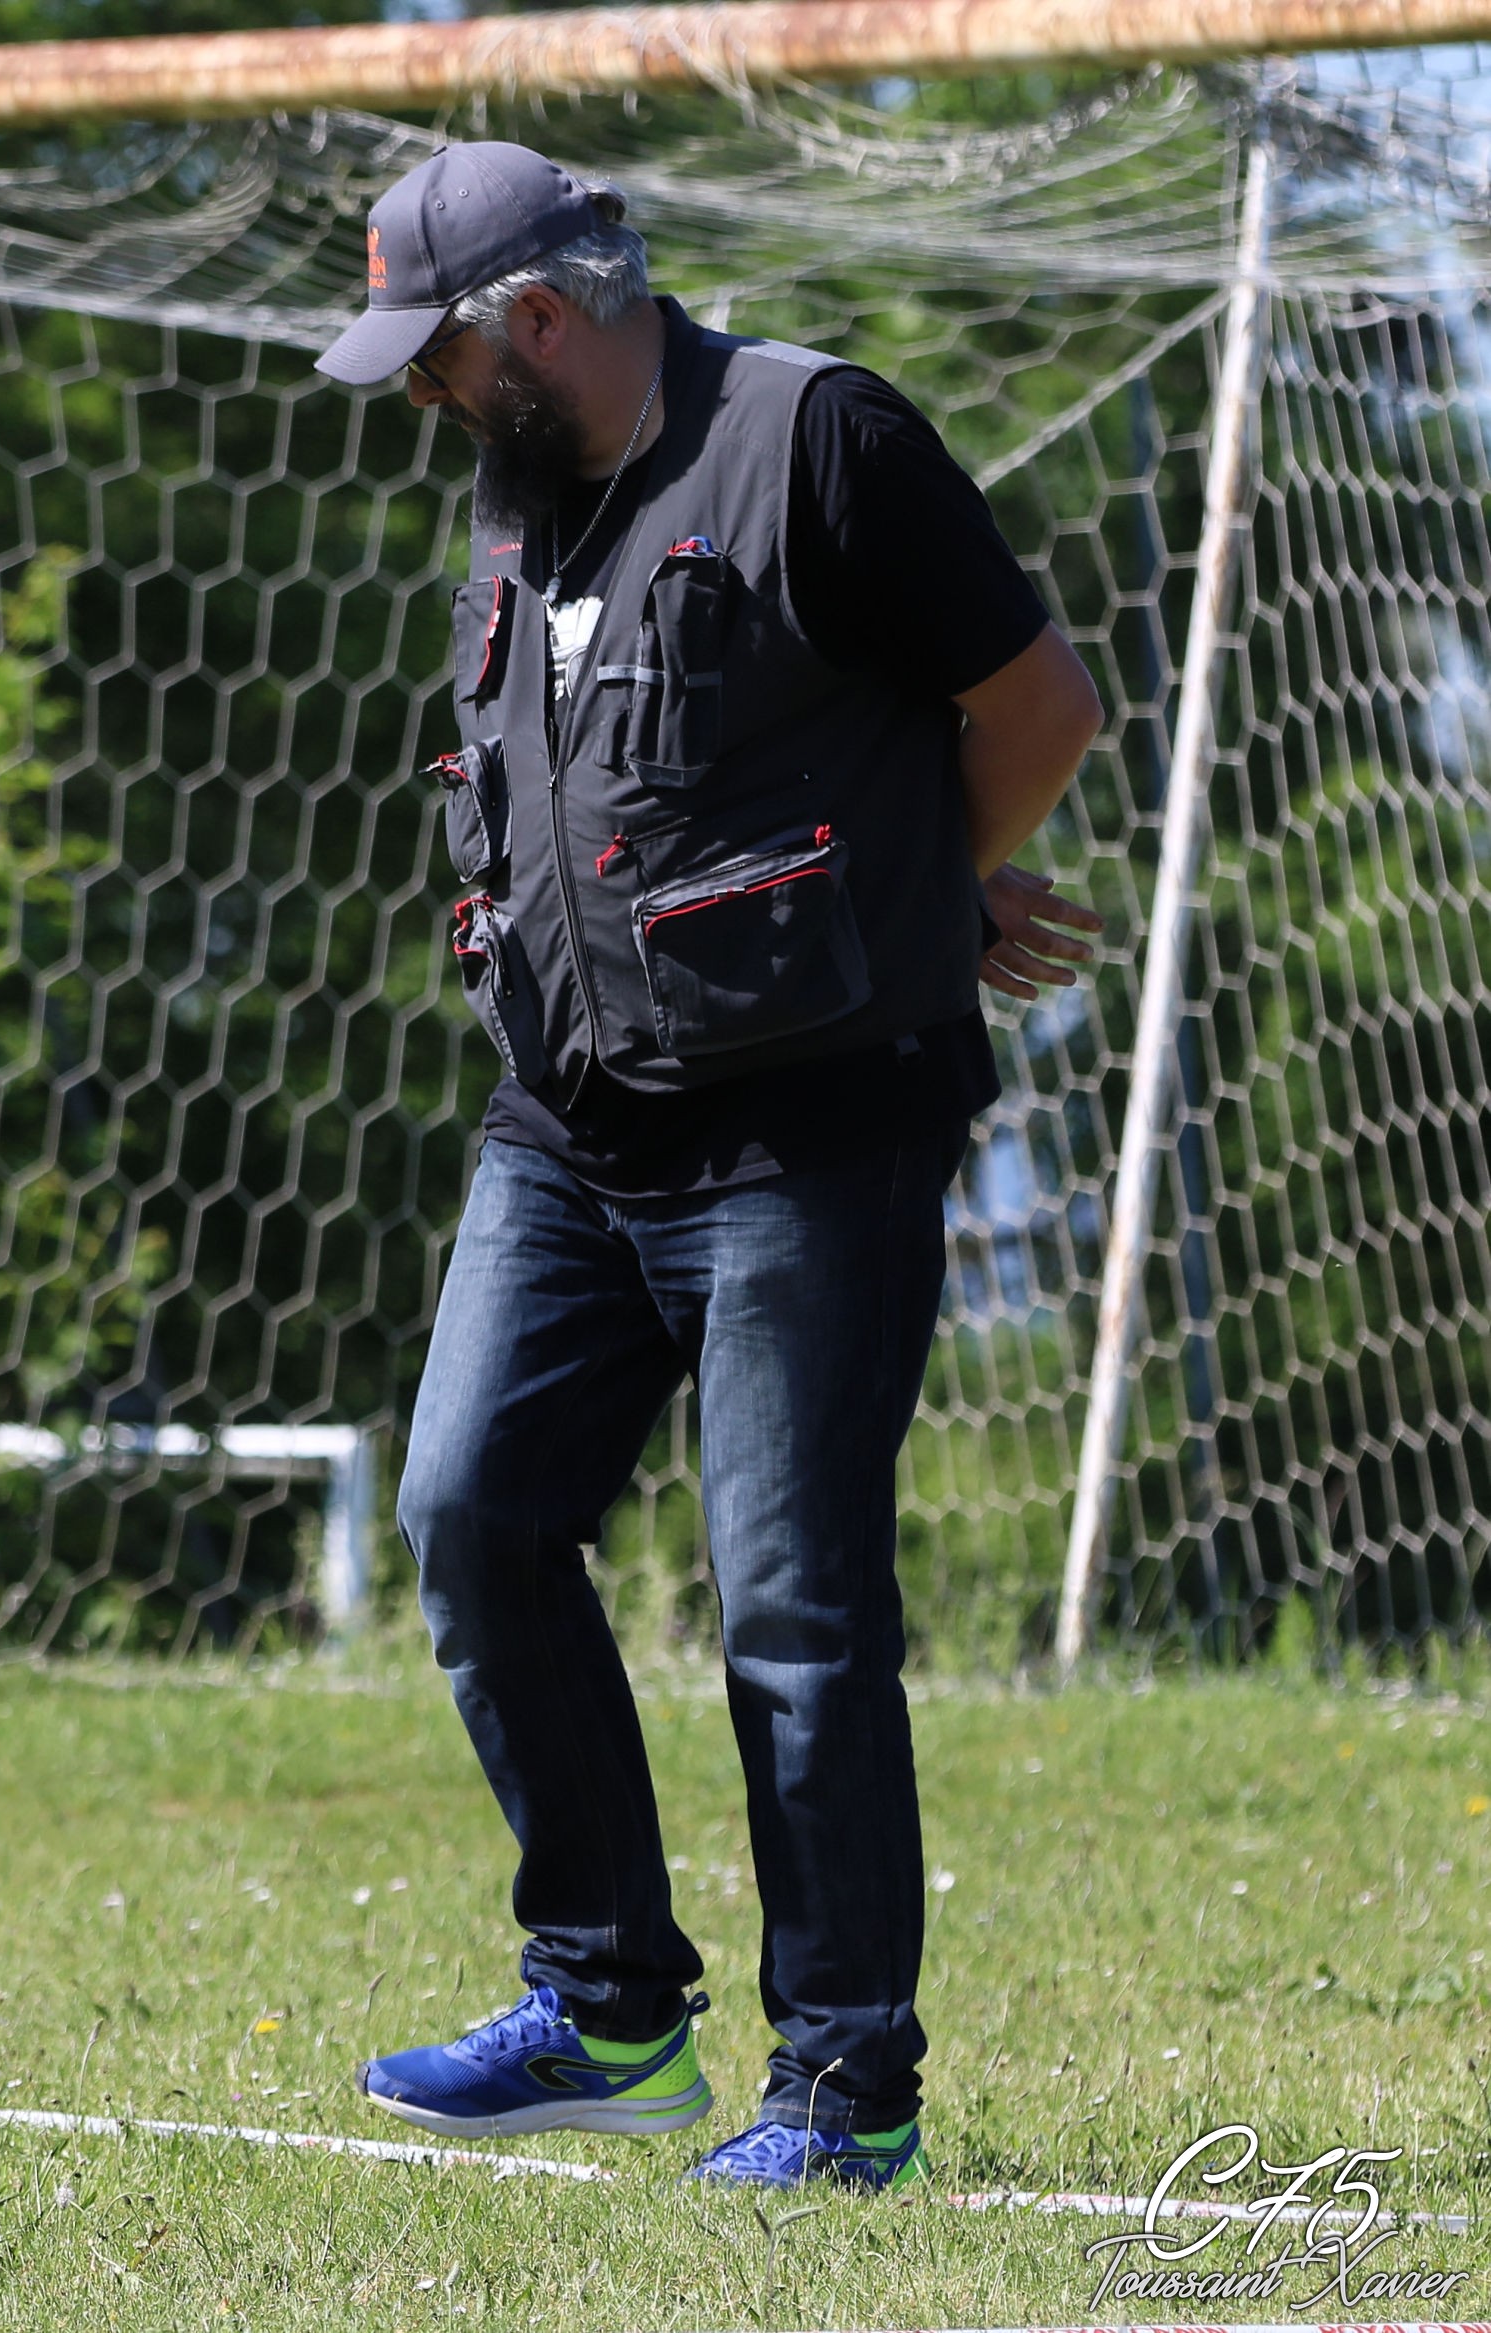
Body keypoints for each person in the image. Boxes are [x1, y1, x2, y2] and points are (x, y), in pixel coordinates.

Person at [312, 141, 1104, 2190]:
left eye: (433, 355)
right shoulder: (519, 477)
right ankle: (606, 2009)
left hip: (808, 1126)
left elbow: (1037, 705)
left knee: (792, 1607)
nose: (422, 396)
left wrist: (924, 892)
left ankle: (844, 2090)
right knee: (469, 1510)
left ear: (535, 318)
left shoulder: (817, 440)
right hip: (568, 1121)